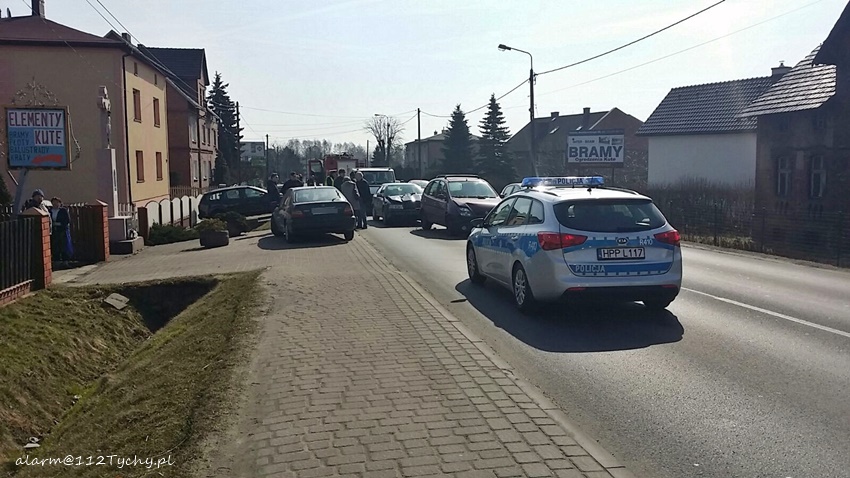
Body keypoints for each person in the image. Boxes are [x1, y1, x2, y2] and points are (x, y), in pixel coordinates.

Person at [50, 197, 73, 263]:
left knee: (63, 245)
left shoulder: (63, 211)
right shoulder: (50, 211)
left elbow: (67, 220)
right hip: (53, 230)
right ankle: (56, 259)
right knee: (55, 245)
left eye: (57, 202)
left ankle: (65, 259)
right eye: (53, 202)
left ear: (60, 203)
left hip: (62, 230)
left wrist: (60, 224)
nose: (55, 204)